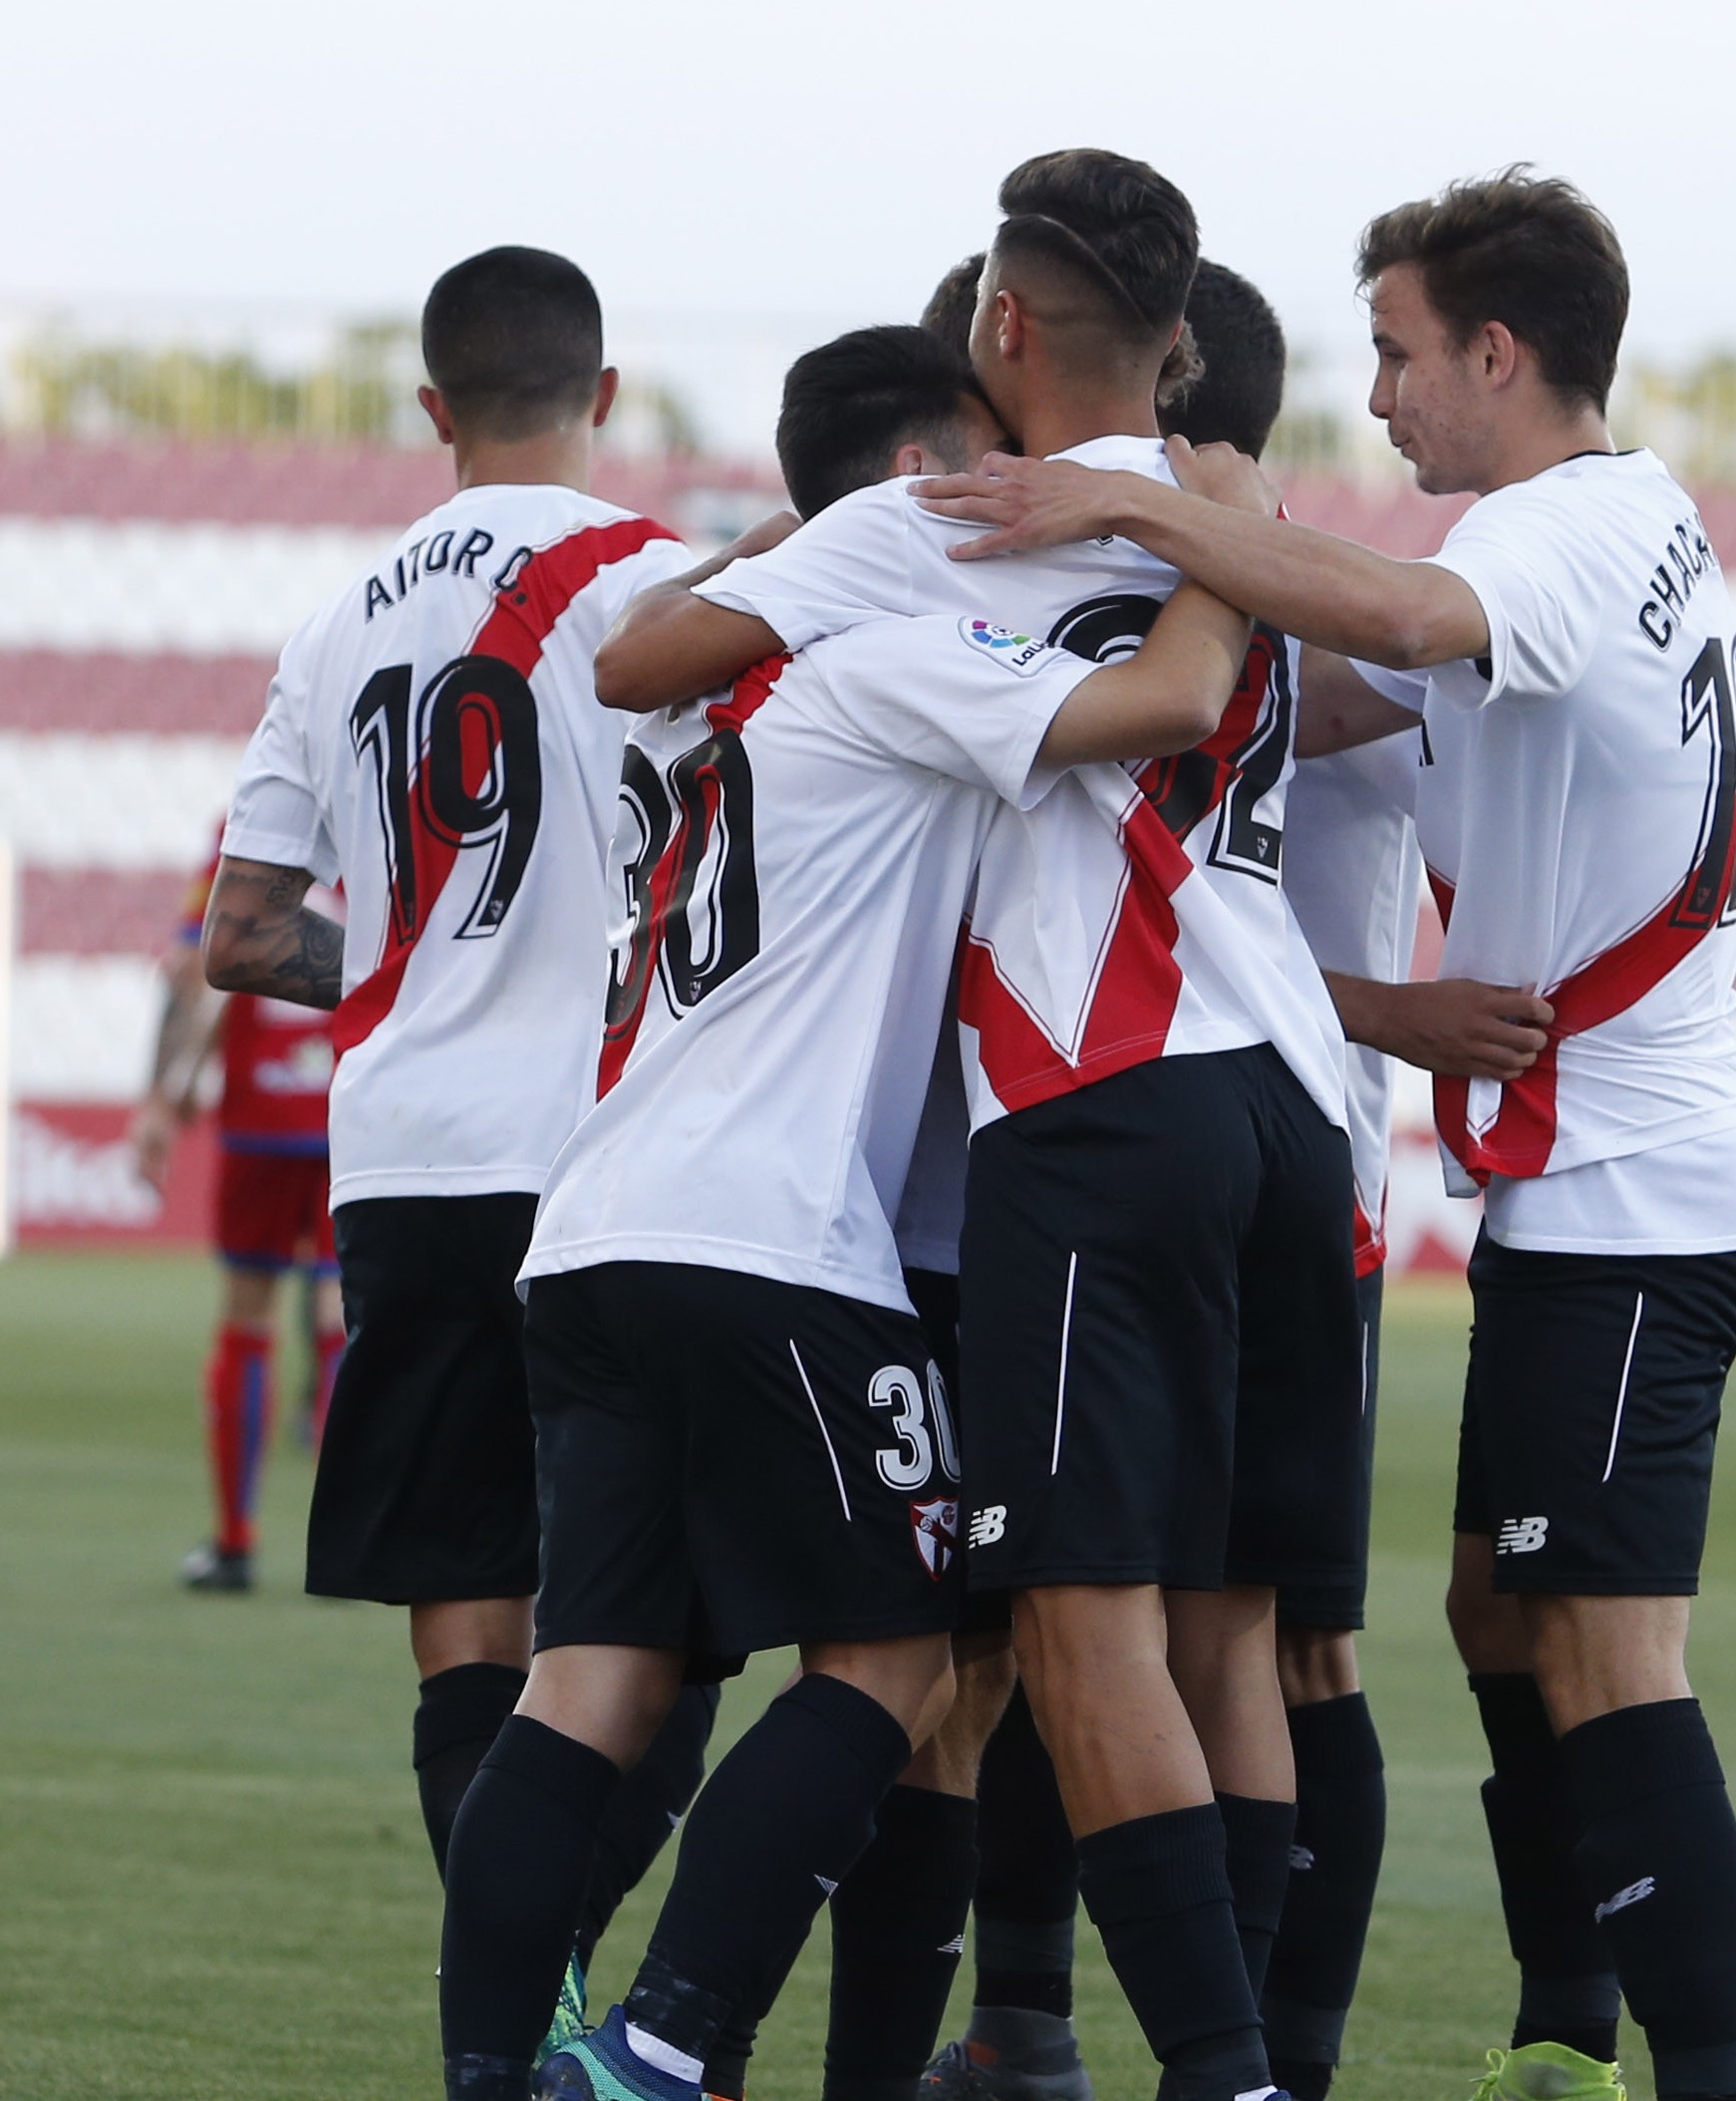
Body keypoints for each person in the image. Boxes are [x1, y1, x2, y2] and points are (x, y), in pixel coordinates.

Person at [919, 166, 1736, 2101]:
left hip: (1632, 1191)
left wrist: (1145, 500)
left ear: (1500, 353)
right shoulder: (1617, 530)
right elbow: (1319, 689)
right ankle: (1564, 2032)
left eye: (1399, 356)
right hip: (1597, 1180)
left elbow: (1398, 606)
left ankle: (1691, 2072)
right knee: (1498, 1603)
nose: (1381, 400)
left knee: (1604, 1650)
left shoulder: (1548, 532)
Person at [451, 321, 1287, 2101]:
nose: (1016, 502)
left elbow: (639, 647)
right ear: (920, 487)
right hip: (774, 1240)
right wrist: (1231, 524)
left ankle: (486, 2066)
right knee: (899, 1652)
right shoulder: (899, 648)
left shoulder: (673, 692)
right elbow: (1161, 705)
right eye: (983, 471)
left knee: (587, 1676)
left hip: (590, 1226)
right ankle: (663, 2046)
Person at [600, 150, 1361, 2101]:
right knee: (1239, 1636)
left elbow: (634, 670)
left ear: (996, 330)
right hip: (1300, 1112)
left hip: (1097, 1099)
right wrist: (1213, 497)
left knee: (1068, 1624)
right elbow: (1339, 674)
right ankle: (1233, 2044)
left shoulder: (936, 532)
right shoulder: (1236, 524)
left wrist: (783, 574)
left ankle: (1209, 2066)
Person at [917, 257, 1455, 2101]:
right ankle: (1057, 2021)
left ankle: (1233, 2062)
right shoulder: (1260, 570)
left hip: (1173, 1115)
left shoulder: (1257, 574)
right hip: (1279, 1131)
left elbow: (1204, 729)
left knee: (1156, 1624)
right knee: (1162, 1628)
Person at [201, 244, 718, 2076]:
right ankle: (550, 2004)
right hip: (611, 1157)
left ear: (432, 406)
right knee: (660, 1625)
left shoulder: (333, 623)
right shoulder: (660, 580)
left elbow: (244, 933)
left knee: (463, 1624)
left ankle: (519, 2015)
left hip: (405, 1160)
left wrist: (404, 968)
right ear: (601, 391)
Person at [130, 830, 347, 1595]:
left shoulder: (248, 825)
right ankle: (346, 1546)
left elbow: (200, 966)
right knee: (339, 1313)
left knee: (247, 1318)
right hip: (349, 1106)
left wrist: (167, 1092)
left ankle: (235, 1542)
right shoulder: (382, 797)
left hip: (261, 1106)